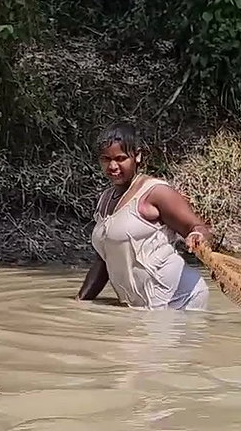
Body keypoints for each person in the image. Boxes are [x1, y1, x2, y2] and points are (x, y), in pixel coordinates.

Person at [76, 123, 212, 310]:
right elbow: (103, 261)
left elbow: (197, 227)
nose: (113, 166)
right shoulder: (105, 200)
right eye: (106, 159)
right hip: (141, 308)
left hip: (180, 301)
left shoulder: (156, 192)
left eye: (121, 158)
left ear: (137, 156)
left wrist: (196, 236)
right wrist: (79, 303)